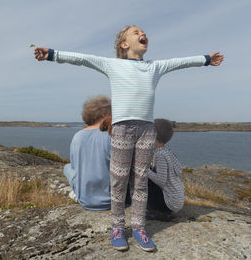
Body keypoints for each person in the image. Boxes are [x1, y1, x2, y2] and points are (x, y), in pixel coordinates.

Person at [34, 25, 224, 252]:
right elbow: (82, 59)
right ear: (124, 44)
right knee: (119, 179)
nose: (142, 33)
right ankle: (117, 227)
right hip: (122, 129)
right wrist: (52, 54)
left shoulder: (154, 66)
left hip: (146, 130)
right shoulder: (113, 64)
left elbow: (179, 62)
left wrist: (205, 59)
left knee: (140, 180)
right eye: (136, 32)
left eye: (143, 31)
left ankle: (139, 228)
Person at [63, 95, 112, 211]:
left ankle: (80, 193)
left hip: (86, 201)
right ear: (104, 115)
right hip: (113, 200)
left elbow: (75, 167)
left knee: (67, 167)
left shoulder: (78, 136)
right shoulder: (110, 135)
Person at [146, 119, 184, 222]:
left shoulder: (160, 155)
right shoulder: (167, 152)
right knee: (150, 175)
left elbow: (161, 181)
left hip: (170, 203)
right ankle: (162, 211)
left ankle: (158, 213)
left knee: (147, 180)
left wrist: (145, 170)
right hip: (176, 201)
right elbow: (179, 170)